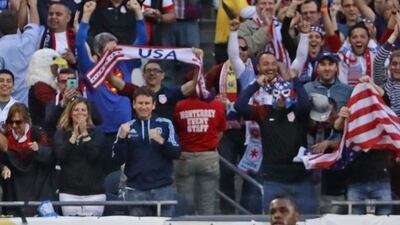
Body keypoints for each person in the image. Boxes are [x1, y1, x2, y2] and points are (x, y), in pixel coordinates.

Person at [234, 52, 317, 214]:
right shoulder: (264, 111)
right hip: (273, 179)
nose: (281, 97)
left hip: (300, 179)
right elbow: (239, 106)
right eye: (277, 93)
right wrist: (255, 84)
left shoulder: (298, 112)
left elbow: (306, 105)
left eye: (285, 92)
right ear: (271, 95)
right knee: (271, 221)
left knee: (309, 219)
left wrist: (295, 81)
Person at [77, 0, 146, 174]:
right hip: (99, 131)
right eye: (110, 51)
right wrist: (85, 16)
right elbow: (79, 45)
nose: (115, 54)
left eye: (116, 50)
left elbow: (142, 42)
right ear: (99, 52)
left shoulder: (126, 64)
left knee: (123, 175)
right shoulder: (91, 69)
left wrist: (138, 14)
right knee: (101, 173)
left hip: (124, 130)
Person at [112, 86, 181, 216]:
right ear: (134, 104)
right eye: (140, 103)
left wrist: (160, 140)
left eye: (147, 103)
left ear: (154, 105)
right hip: (135, 189)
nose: (144, 107)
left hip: (163, 188)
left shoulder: (166, 124)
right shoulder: (126, 127)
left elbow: (176, 153)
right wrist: (121, 138)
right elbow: (117, 160)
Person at [173, 93, 226, 215]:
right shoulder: (217, 105)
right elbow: (221, 131)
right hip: (208, 156)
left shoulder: (180, 106)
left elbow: (176, 130)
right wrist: (210, 144)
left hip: (185, 157)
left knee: (184, 205)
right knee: (207, 205)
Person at [0, 103, 56, 216]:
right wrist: (3, 167)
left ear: (26, 120)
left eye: (18, 122)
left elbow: (52, 158)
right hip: (13, 188)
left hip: (36, 186)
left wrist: (38, 149)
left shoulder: (38, 134)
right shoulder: (5, 136)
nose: (14, 126)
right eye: (11, 122)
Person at [54, 97, 106, 216]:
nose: (80, 113)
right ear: (70, 113)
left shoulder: (97, 133)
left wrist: (85, 135)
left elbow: (94, 156)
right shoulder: (61, 133)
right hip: (69, 193)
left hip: (94, 193)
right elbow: (60, 157)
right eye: (76, 110)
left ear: (88, 113)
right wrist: (73, 137)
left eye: (83, 110)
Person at [0, 0, 40, 105]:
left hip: (3, 104)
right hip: (23, 105)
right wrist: (33, 6)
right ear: (16, 26)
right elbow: (34, 25)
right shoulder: (27, 42)